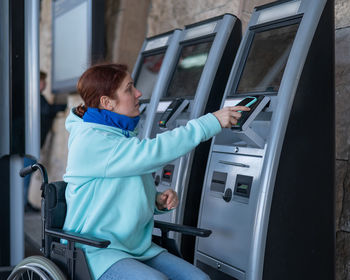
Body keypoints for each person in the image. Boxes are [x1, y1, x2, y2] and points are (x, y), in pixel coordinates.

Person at [63, 63, 249, 280]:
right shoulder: (92, 140)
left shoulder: (119, 134)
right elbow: (152, 152)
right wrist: (211, 122)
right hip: (97, 251)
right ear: (107, 102)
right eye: (129, 88)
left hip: (135, 248)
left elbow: (119, 191)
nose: (138, 94)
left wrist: (156, 201)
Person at [23, 71, 66, 212]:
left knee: (27, 175)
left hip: (31, 143)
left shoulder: (34, 96)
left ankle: (24, 203)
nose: (45, 84)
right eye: (42, 81)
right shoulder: (35, 97)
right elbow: (47, 110)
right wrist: (63, 106)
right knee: (25, 175)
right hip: (28, 144)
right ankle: (23, 204)